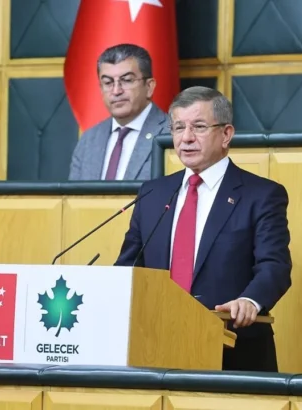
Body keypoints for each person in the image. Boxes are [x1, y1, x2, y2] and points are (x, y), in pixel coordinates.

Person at [114, 86, 292, 372]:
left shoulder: (261, 195)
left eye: (198, 127)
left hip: (234, 351)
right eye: (178, 127)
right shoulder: (153, 193)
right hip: (155, 347)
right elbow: (128, 268)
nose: (186, 138)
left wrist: (250, 300)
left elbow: (275, 266)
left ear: (226, 134)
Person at [69, 44, 169, 180]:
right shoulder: (89, 140)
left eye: (127, 80)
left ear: (149, 87)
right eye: (108, 82)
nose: (116, 91)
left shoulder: (173, 133)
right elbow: (75, 193)